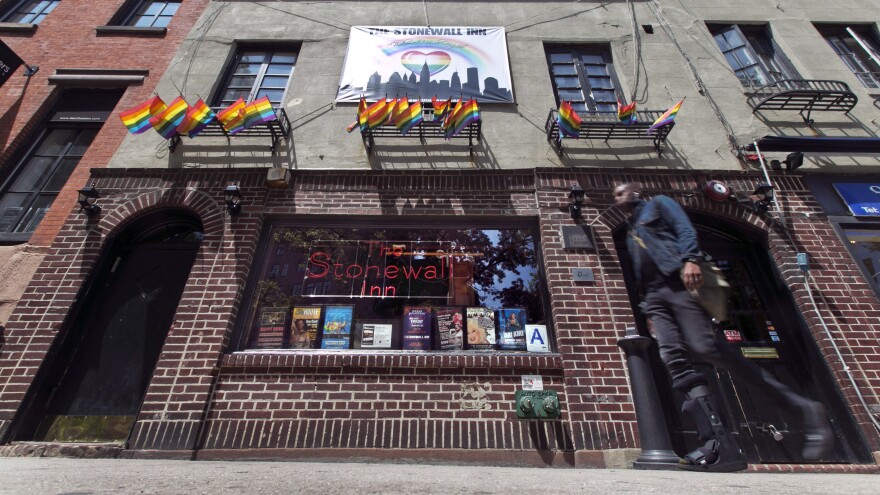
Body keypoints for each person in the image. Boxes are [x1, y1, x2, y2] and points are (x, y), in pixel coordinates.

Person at [613, 183, 833, 472]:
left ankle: (803, 408)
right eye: (615, 195)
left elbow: (685, 230)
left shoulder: (660, 204)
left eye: (621, 192)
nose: (617, 198)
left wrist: (690, 259)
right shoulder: (630, 230)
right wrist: (648, 310)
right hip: (655, 297)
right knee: (673, 358)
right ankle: (714, 442)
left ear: (636, 191)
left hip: (679, 284)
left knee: (706, 348)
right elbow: (642, 270)